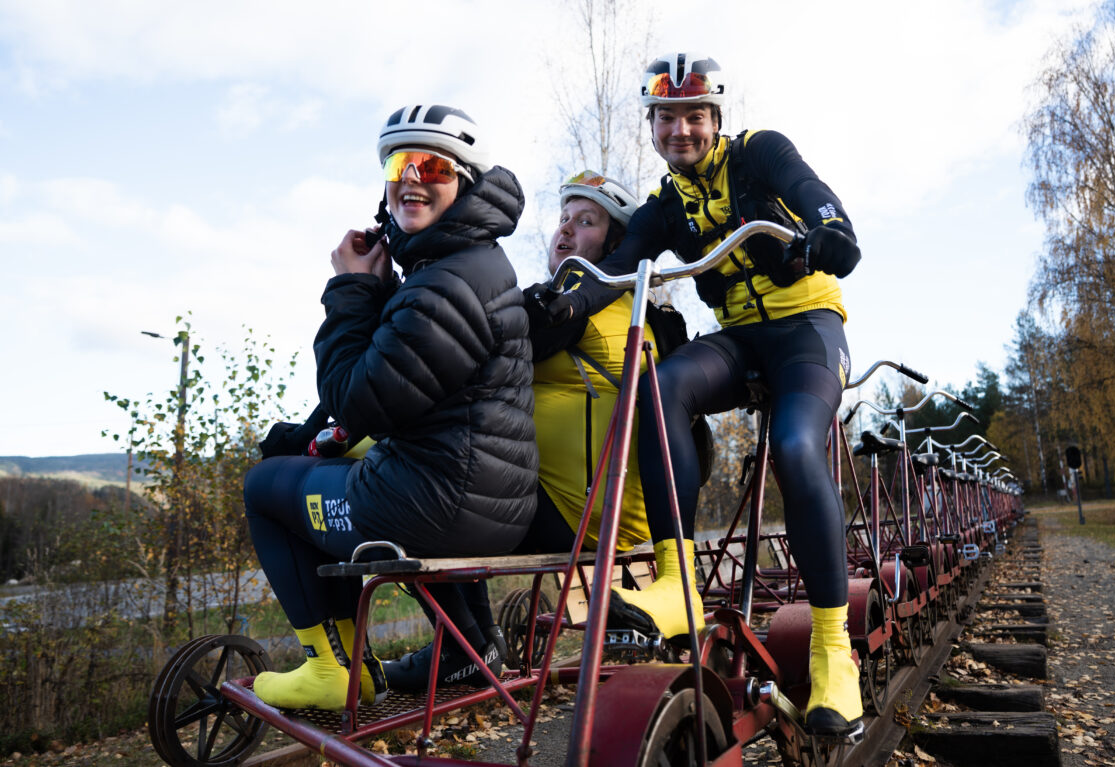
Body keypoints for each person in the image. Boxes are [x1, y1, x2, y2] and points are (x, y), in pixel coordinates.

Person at [542, 53, 865, 736]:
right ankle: (678, 581)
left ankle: (835, 652)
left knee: (798, 446)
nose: (679, 129)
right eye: (666, 118)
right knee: (662, 386)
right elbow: (612, 269)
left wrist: (830, 228)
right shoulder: (666, 207)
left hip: (808, 330)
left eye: (694, 116)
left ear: (716, 120)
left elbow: (811, 191)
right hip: (743, 337)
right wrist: (567, 298)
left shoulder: (760, 155)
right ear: (653, 126)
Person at [243, 104, 537, 708]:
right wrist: (308, 434)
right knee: (309, 462)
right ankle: (471, 650)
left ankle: (332, 669)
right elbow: (394, 390)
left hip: (441, 504)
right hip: (476, 498)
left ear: (466, 181)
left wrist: (352, 287)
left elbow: (361, 401)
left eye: (431, 164)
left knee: (265, 489)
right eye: (398, 162)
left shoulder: (448, 283)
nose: (411, 177)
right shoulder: (457, 266)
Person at [517, 171, 655, 555]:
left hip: (577, 514)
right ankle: (476, 620)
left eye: (585, 221)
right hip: (611, 514)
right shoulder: (636, 308)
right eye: (564, 219)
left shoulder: (579, 305)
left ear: (615, 244)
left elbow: (472, 359)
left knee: (418, 490)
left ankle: (474, 620)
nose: (566, 230)